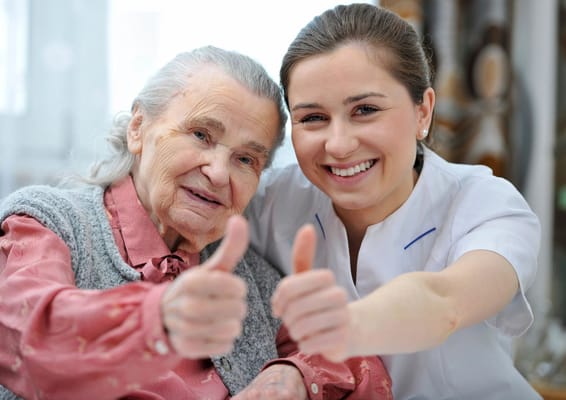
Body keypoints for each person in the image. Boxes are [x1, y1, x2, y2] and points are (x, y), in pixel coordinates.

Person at [0, 46, 393, 400]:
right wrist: (160, 318)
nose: (219, 173)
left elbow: (360, 363)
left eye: (245, 160)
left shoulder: (250, 279)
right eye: (201, 134)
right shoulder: (48, 224)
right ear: (138, 128)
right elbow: (24, 336)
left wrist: (292, 377)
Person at [245, 3, 542, 400]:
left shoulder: (485, 204)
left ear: (423, 111)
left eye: (365, 110)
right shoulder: (271, 201)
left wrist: (342, 329)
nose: (338, 144)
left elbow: (445, 302)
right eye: (313, 118)